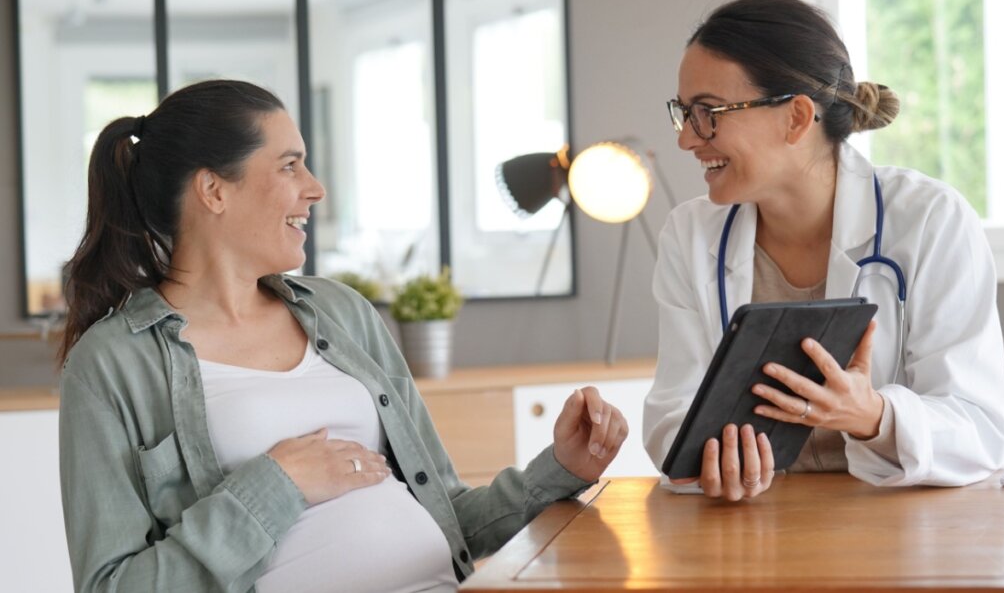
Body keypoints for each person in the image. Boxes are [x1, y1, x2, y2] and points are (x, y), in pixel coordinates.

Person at [58, 79, 628, 592]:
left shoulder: (341, 312)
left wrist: (562, 468)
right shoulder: (112, 364)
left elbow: (449, 514)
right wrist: (276, 485)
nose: (315, 189)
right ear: (213, 190)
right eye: (289, 166)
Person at [643, 0, 1004, 502]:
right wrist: (714, 461)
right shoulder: (689, 235)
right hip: (762, 520)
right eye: (684, 113)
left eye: (708, 113)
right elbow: (673, 415)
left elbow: (983, 425)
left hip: (911, 520)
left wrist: (874, 416)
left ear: (797, 118)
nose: (687, 140)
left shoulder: (931, 220)